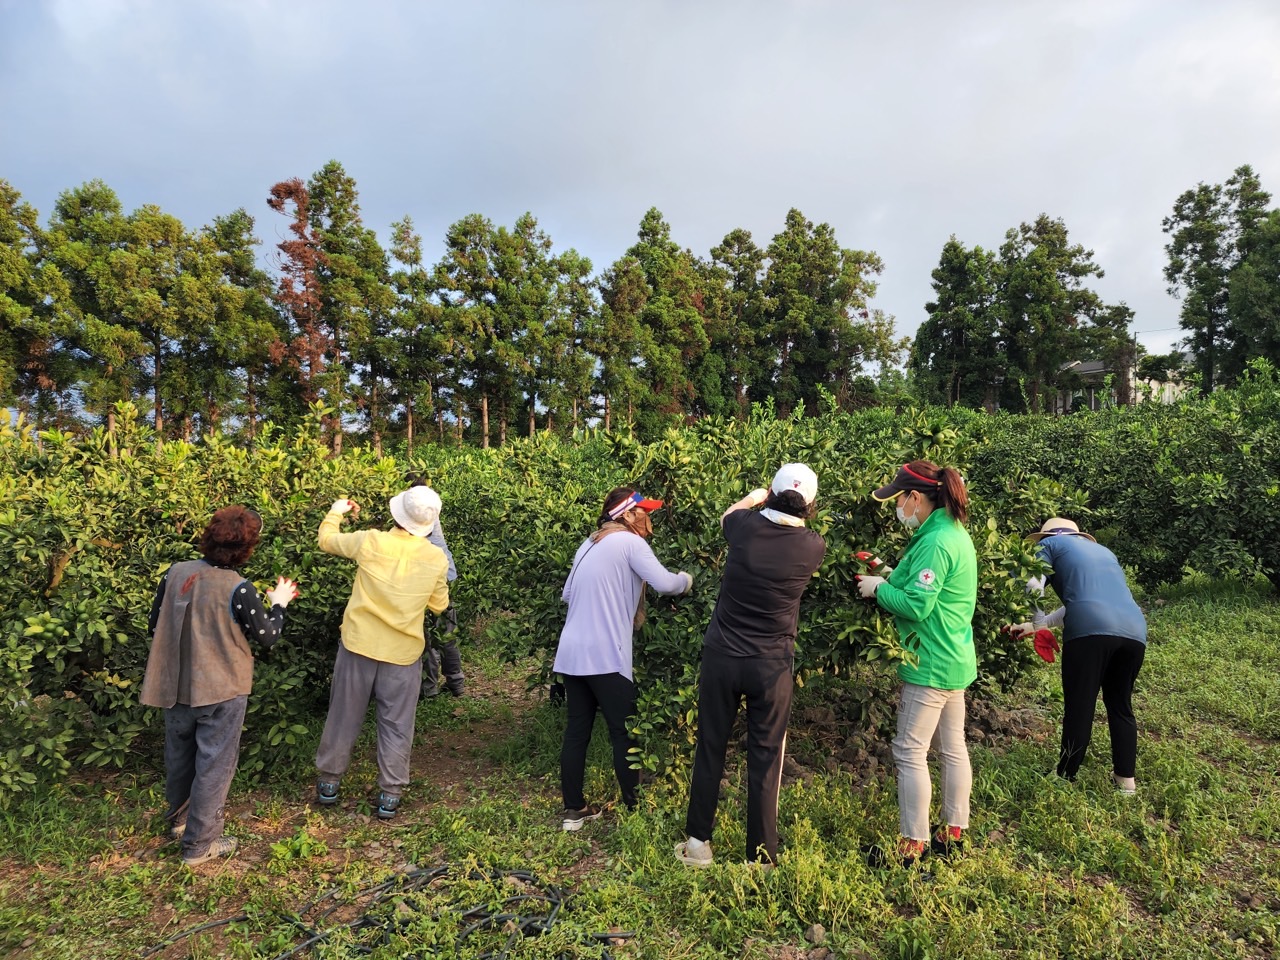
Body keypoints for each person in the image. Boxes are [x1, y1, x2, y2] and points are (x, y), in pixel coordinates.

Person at [676, 464, 826, 868]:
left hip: (723, 656)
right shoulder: (813, 546)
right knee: (766, 757)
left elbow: (728, 514)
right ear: (810, 504)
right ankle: (760, 857)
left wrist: (751, 498)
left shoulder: (742, 527)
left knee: (711, 745)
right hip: (771, 665)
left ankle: (697, 845)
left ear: (772, 494)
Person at [140, 506, 299, 867]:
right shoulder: (238, 588)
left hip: (174, 684)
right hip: (221, 687)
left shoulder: (175, 573)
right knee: (215, 762)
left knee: (180, 756)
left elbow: (154, 625)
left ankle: (179, 822)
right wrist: (279, 603)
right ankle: (200, 845)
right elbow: (268, 636)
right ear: (247, 548)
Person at [856, 460, 977, 867]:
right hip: (954, 657)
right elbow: (923, 585)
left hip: (930, 661)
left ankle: (912, 846)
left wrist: (877, 592)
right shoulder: (950, 532)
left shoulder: (936, 541)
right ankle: (953, 833)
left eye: (899, 499)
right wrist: (884, 573)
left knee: (910, 750)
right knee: (952, 748)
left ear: (914, 497)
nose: (898, 508)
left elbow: (917, 604)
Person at [554, 487, 692, 831]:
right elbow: (664, 583)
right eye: (644, 512)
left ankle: (573, 810)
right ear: (627, 515)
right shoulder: (630, 543)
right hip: (606, 655)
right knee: (624, 732)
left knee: (576, 732)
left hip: (572, 652)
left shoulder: (589, 543)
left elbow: (568, 593)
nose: (649, 519)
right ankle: (634, 810)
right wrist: (687, 581)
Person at [313, 486, 450, 819]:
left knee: (343, 714)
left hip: (359, 645)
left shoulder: (371, 541)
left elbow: (327, 540)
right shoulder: (435, 558)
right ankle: (389, 794)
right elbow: (439, 605)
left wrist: (336, 510)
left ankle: (329, 783)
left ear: (398, 514)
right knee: (397, 724)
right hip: (403, 655)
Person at [1008, 518, 1147, 795]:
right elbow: (1079, 604)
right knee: (1120, 705)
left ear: (1048, 535)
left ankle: (1065, 776)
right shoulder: (1105, 554)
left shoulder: (1048, 544)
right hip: (1134, 631)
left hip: (1088, 633)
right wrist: (1038, 625)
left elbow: (1033, 585)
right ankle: (1126, 784)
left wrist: (1035, 623)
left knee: (1080, 704)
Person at [409, 477, 464, 699]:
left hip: (426, 575)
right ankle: (456, 683)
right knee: (446, 631)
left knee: (427, 635)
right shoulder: (433, 505)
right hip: (446, 572)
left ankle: (429, 688)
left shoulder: (413, 512)